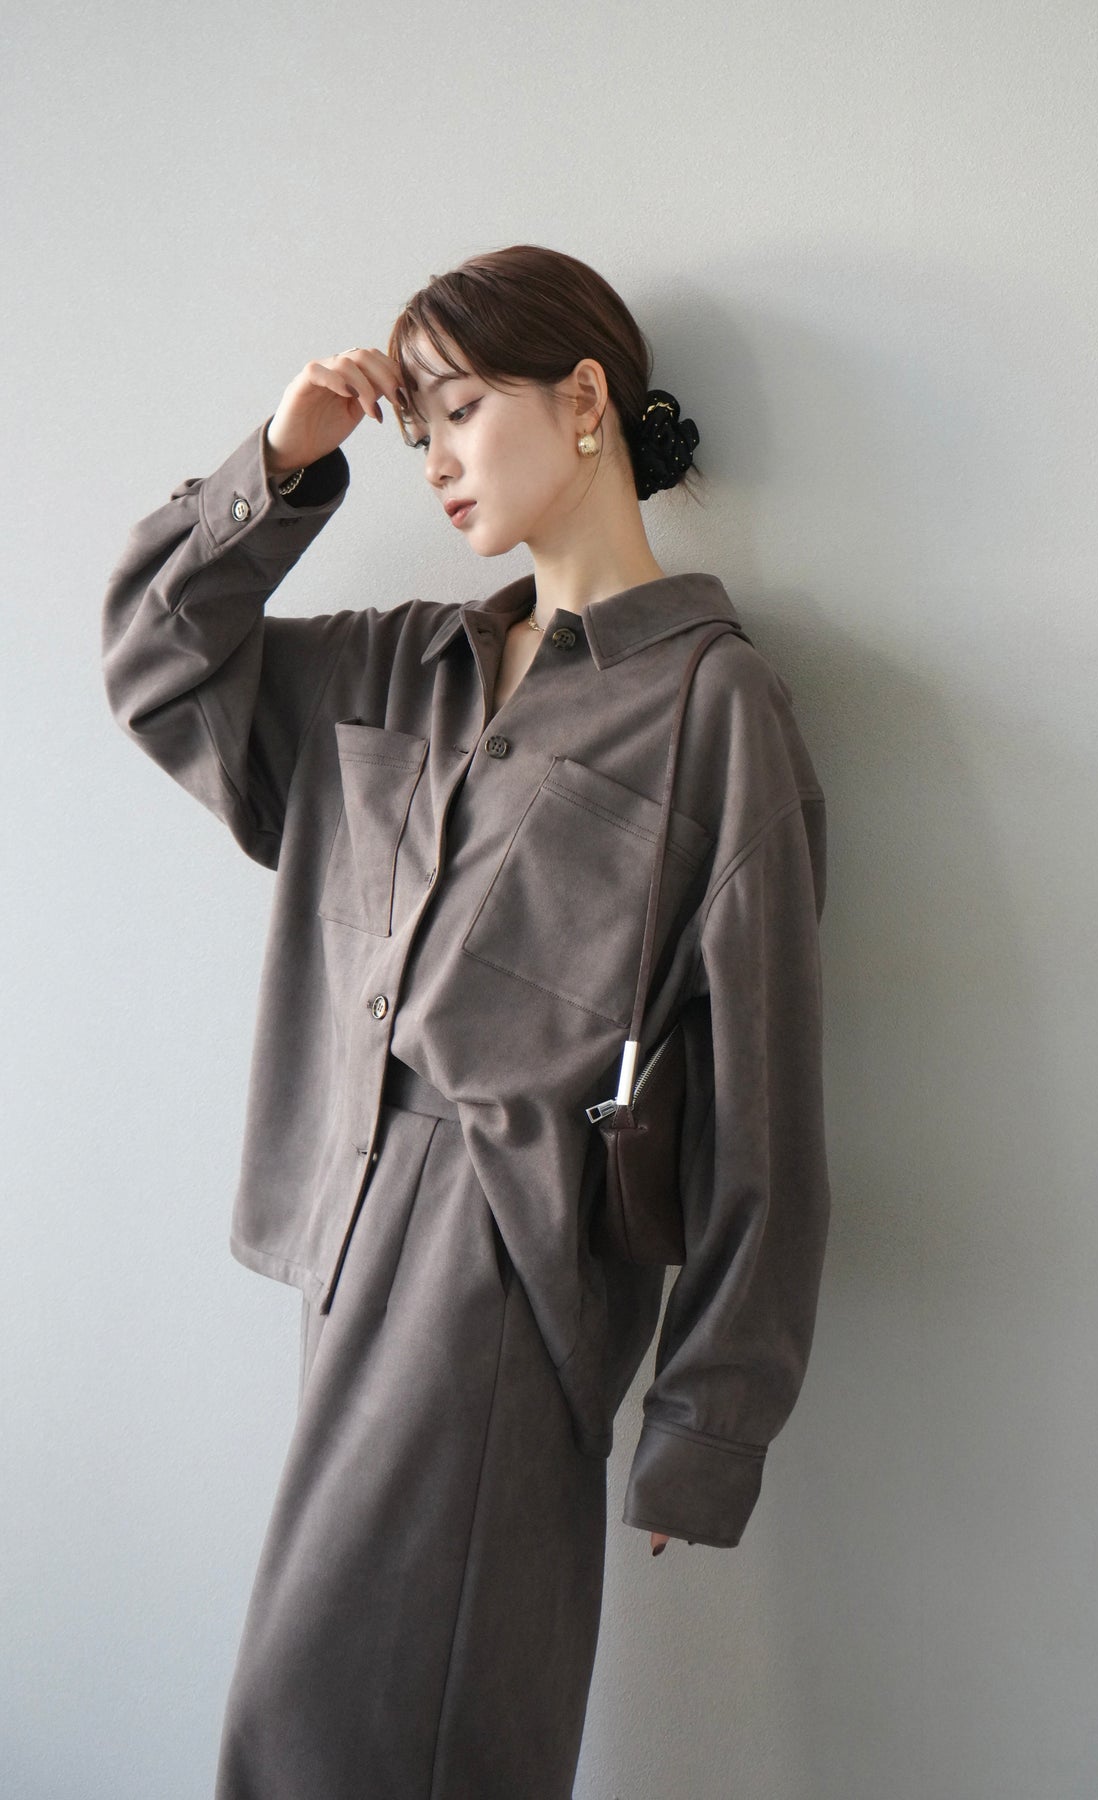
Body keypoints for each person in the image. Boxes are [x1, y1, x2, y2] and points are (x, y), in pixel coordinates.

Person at [101, 244, 832, 1800]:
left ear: (584, 402)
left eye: (459, 412)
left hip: (505, 1262)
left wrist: (709, 1418)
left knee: (343, 1731)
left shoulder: (711, 709)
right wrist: (282, 463)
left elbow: (763, 1096)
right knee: (383, 1723)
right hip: (340, 1232)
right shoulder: (397, 667)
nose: (431, 460)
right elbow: (159, 665)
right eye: (412, 429)